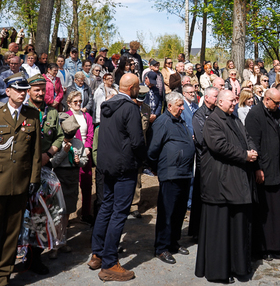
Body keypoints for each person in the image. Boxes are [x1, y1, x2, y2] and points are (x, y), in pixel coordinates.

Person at [0, 74, 42, 286]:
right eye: (18, 90)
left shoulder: (32, 115)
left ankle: (3, 277)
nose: (22, 93)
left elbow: (36, 153)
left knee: (12, 235)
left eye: (25, 90)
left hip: (20, 184)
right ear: (8, 91)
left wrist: (34, 179)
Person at [195, 88, 257, 283]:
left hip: (237, 181)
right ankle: (218, 271)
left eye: (235, 100)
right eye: (231, 100)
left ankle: (238, 266)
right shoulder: (213, 120)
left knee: (237, 226)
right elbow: (219, 145)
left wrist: (253, 149)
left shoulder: (235, 119)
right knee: (220, 229)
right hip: (219, 184)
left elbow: (247, 137)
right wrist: (245, 155)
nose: (234, 103)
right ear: (220, 102)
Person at [89, 72, 146, 281]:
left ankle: (97, 253)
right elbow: (137, 141)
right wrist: (144, 160)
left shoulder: (108, 104)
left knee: (106, 207)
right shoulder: (130, 107)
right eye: (138, 86)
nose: (139, 90)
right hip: (123, 167)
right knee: (119, 212)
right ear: (131, 88)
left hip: (107, 165)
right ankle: (110, 263)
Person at [146, 91, 194, 264]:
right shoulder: (162, 122)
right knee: (167, 211)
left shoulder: (179, 121)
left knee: (179, 211)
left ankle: (173, 242)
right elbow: (152, 149)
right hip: (170, 173)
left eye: (182, 105)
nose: (182, 108)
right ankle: (162, 247)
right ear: (170, 105)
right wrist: (156, 168)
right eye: (179, 105)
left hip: (184, 172)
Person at [245, 88, 280, 258]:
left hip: (276, 167)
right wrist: (257, 168)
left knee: (275, 209)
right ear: (267, 99)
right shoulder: (255, 114)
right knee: (264, 211)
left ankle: (274, 244)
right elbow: (253, 144)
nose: (278, 106)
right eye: (276, 103)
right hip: (264, 169)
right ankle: (263, 247)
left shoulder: (275, 112)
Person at [56, 90, 95, 247]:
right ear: (69, 103)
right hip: (68, 154)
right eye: (76, 102)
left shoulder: (87, 116)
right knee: (68, 189)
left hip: (84, 152)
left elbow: (90, 133)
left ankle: (86, 212)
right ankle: (65, 222)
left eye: (80, 101)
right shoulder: (65, 117)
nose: (79, 104)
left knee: (86, 185)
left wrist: (88, 147)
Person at [188, 86, 218, 240]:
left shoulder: (216, 113)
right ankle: (197, 232)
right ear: (206, 98)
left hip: (215, 162)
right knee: (200, 197)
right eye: (215, 96)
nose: (217, 99)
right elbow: (201, 140)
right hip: (204, 162)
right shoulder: (198, 115)